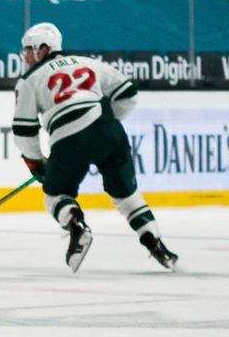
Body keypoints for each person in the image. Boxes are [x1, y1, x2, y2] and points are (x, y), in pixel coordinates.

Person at [12, 22, 178, 272]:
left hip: (68, 140)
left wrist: (35, 161)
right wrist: (103, 122)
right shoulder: (89, 62)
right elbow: (129, 95)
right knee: (126, 196)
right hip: (108, 131)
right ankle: (156, 244)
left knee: (55, 196)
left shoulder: (28, 80)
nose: (25, 56)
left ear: (44, 49)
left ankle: (75, 224)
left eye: (28, 50)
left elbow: (24, 130)